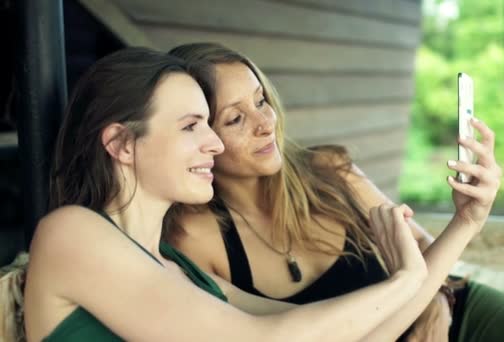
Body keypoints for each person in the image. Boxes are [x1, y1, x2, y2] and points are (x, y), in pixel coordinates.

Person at [19, 46, 433, 342]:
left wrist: (465, 224)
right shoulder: (72, 233)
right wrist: (406, 279)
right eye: (190, 126)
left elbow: (346, 334)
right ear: (123, 144)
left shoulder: (178, 267)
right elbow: (260, 338)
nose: (214, 145)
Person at [166, 43, 504, 341]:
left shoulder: (329, 171)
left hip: (460, 321)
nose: (264, 123)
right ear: (198, 135)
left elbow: (425, 253)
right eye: (235, 118)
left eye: (261, 101)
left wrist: (436, 304)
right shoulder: (197, 236)